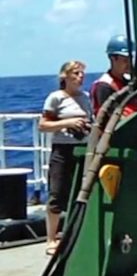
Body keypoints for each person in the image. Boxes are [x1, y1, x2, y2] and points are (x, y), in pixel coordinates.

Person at [38, 60, 92, 256]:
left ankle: (75, 234)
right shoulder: (56, 98)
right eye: (76, 73)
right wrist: (67, 123)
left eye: (82, 73)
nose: (80, 77)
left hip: (83, 149)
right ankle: (51, 239)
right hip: (62, 150)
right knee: (57, 192)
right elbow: (43, 125)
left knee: (81, 192)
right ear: (65, 77)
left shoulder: (86, 98)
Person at [90, 34, 136, 116]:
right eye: (125, 60)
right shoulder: (104, 86)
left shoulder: (128, 82)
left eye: (130, 59)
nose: (129, 63)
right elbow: (112, 116)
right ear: (113, 59)